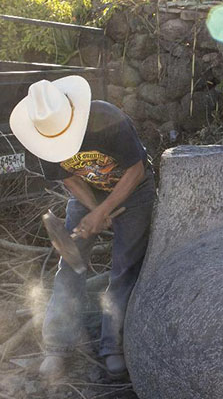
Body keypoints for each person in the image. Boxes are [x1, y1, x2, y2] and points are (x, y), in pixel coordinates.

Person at [9, 76, 155, 379]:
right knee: (70, 266)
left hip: (134, 189)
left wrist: (103, 211)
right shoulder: (41, 136)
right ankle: (56, 347)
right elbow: (70, 178)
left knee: (125, 267)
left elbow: (136, 170)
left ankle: (112, 346)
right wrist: (94, 211)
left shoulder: (106, 118)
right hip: (88, 191)